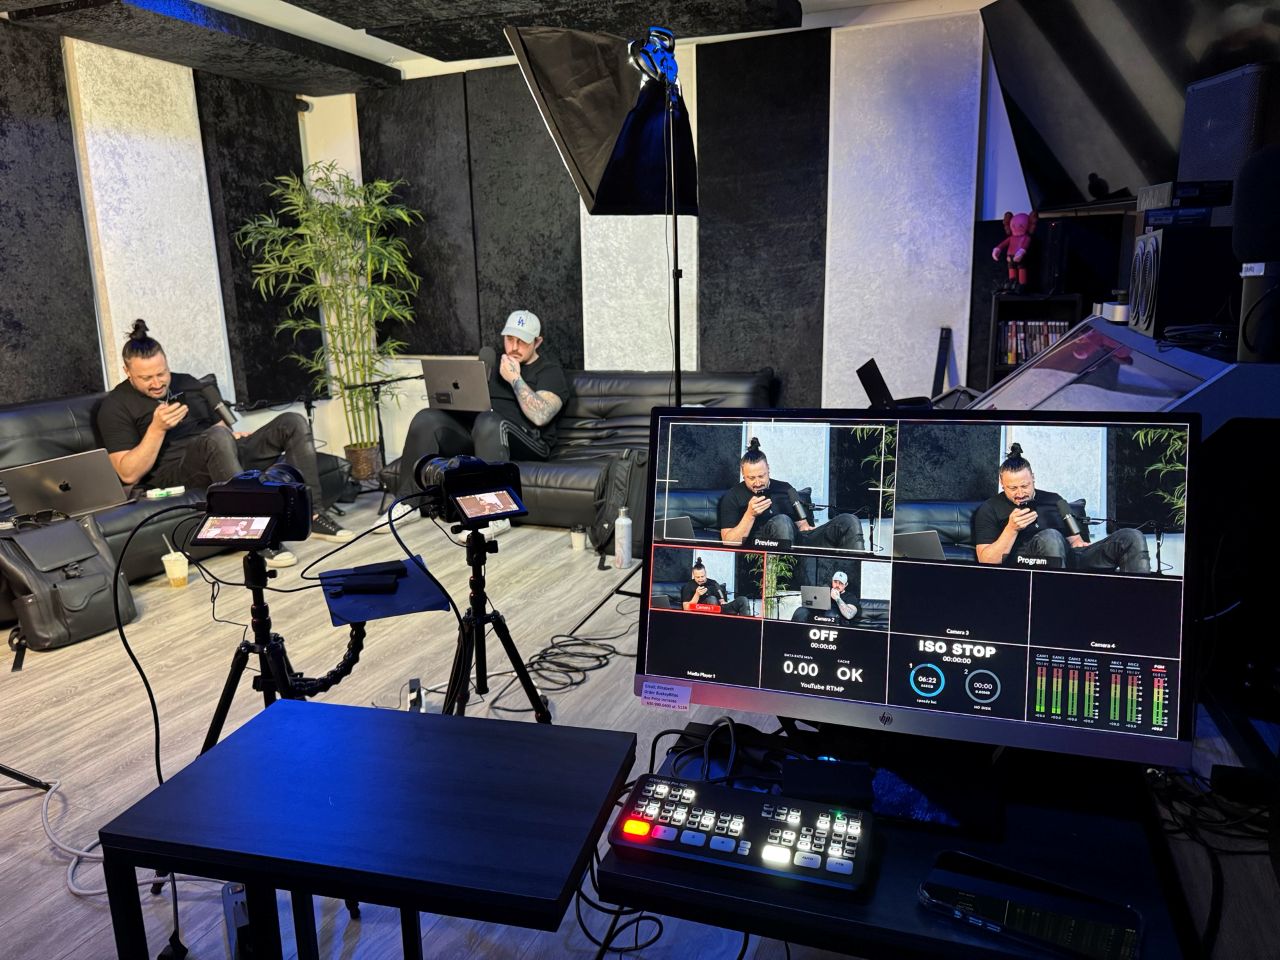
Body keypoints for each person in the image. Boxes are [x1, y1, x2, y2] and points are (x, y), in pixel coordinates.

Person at [95, 320, 353, 568]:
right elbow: (128, 473)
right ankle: (255, 534)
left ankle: (312, 515)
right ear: (127, 372)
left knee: (292, 422)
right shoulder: (115, 406)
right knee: (217, 438)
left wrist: (232, 436)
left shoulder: (187, 382)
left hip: (219, 451)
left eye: (162, 373)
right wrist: (157, 428)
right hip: (176, 471)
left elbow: (219, 427)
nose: (157, 383)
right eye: (146, 378)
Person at [379, 309, 570, 533]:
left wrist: (515, 379)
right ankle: (407, 504)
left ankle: (496, 513)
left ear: (537, 342)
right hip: (482, 432)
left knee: (489, 421)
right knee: (427, 418)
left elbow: (541, 416)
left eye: (523, 341)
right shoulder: (491, 365)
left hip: (530, 440)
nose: (514, 347)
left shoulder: (549, 370)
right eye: (510, 339)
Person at [973, 443, 1149, 573]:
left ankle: (1138, 601)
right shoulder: (989, 508)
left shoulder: (1055, 500)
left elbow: (1076, 541)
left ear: (1033, 478)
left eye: (1025, 486)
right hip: (1025, 563)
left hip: (1070, 558)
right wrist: (1011, 529)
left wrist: (1078, 542)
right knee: (1051, 536)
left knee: (1131, 536)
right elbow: (986, 560)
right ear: (1001, 483)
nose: (1020, 493)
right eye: (1012, 488)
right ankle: (1059, 600)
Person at [718, 438, 864, 550]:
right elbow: (729, 542)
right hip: (761, 546)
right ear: (743, 474)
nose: (757, 482)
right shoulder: (732, 497)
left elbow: (803, 526)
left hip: (797, 542)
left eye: (761, 476)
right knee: (782, 521)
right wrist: (750, 515)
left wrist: (805, 526)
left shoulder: (786, 488)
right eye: (751, 478)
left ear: (768, 469)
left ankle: (850, 576)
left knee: (849, 521)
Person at [680, 557, 752, 615]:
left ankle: (745, 625)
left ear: (706, 574)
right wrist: (697, 595)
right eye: (697, 577)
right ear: (693, 575)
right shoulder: (688, 585)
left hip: (719, 609)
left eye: (702, 576)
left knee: (743, 600)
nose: (700, 579)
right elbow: (686, 608)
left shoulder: (713, 583)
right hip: (701, 610)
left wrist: (722, 600)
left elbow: (722, 600)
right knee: (712, 599)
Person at [790, 570, 860, 624]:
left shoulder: (850, 597)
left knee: (831, 613)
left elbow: (849, 615)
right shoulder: (825, 591)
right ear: (832, 580)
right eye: (835, 582)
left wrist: (837, 598)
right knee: (801, 611)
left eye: (841, 583)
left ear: (846, 584)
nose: (837, 585)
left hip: (835, 621)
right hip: (818, 618)